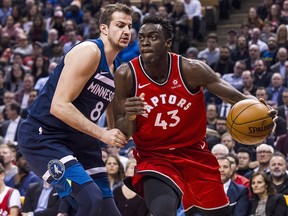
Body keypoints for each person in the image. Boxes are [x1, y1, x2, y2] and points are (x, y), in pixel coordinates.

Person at [113, 16, 275, 216]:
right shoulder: (125, 75)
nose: (145, 42)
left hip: (194, 153)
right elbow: (120, 129)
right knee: (163, 211)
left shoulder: (190, 69)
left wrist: (264, 115)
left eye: (153, 37)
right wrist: (129, 116)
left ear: (168, 43)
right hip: (154, 156)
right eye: (142, 37)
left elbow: (237, 98)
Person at [17, 3, 132, 216]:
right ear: (104, 28)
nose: (126, 31)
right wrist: (103, 134)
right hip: (44, 138)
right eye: (120, 25)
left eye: (129, 26)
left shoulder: (116, 66)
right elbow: (59, 106)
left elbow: (106, 103)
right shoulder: (89, 52)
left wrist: (115, 130)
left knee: (109, 211)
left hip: (80, 142)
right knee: (89, 199)